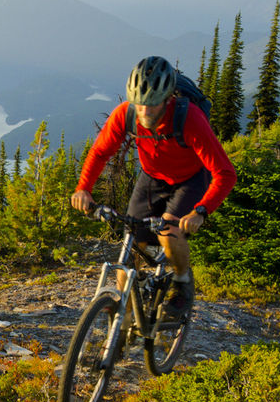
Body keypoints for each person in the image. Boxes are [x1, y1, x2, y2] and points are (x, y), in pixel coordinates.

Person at [71, 55, 236, 318]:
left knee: (168, 232)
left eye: (152, 104)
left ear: (168, 98)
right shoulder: (126, 114)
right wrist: (84, 188)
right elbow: (100, 152)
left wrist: (201, 212)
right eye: (140, 104)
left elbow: (225, 173)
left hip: (191, 179)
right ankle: (123, 325)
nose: (145, 111)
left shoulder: (189, 118)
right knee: (130, 247)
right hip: (152, 178)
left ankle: (182, 282)